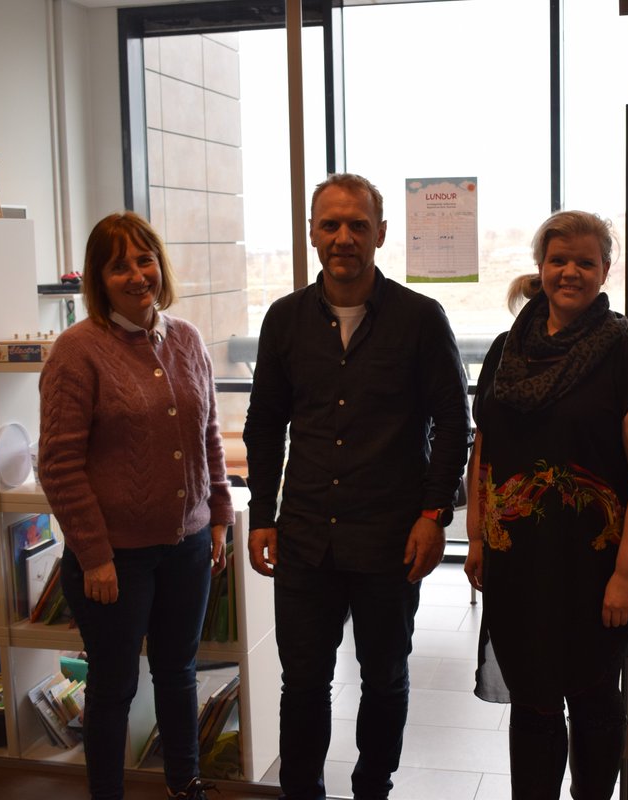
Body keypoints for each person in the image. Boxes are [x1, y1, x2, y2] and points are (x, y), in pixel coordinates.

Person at [242, 172, 470, 800]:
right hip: (306, 534)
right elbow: (264, 425)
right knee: (304, 683)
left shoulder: (421, 319)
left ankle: (374, 787)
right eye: (330, 225)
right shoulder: (285, 320)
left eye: (358, 225)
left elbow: (454, 422)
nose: (344, 238)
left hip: (390, 537)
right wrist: (263, 515)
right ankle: (302, 792)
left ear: (381, 233)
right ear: (313, 234)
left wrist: (434, 514)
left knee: (386, 676)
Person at [463, 210, 628, 799]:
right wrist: (477, 537)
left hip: (596, 566)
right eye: (559, 260)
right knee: (531, 701)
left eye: (585, 261)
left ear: (606, 270)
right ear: (541, 267)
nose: (570, 272)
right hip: (519, 561)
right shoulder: (507, 351)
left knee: (591, 698)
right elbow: (485, 448)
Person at [38, 211, 233, 800]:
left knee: (178, 676)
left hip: (188, 545)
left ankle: (185, 784)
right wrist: (94, 555)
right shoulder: (77, 352)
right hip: (114, 560)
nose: (136, 274)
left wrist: (218, 515)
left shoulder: (188, 339)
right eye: (118, 265)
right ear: (99, 279)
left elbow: (209, 436)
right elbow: (59, 464)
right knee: (114, 687)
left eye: (144, 259)